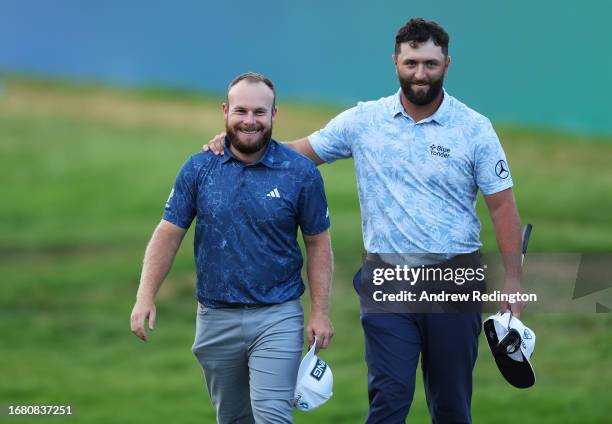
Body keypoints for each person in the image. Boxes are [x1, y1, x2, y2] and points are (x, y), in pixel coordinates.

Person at [204, 18, 523, 424]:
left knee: (451, 405)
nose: (420, 74)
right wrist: (236, 142)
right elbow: (296, 154)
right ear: (395, 62)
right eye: (411, 63)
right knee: (389, 400)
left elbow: (502, 206)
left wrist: (513, 281)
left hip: (455, 282)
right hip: (387, 281)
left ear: (447, 64)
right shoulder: (364, 121)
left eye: (429, 63)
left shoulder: (475, 129)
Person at [131, 72, 334, 424]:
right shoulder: (199, 168)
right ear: (225, 111)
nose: (250, 121)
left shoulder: (300, 173)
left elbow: (318, 243)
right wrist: (145, 295)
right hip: (215, 318)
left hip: (278, 314)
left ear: (274, 115)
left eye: (260, 112)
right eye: (241, 111)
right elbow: (168, 233)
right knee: (233, 418)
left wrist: (319, 311)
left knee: (272, 416)